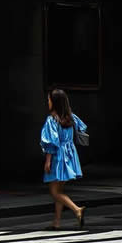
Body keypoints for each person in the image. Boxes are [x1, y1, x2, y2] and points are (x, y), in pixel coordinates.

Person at [39, 89, 88, 230]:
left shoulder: (51, 120)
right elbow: (82, 128)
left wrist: (48, 161)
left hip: (58, 157)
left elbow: (51, 142)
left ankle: (77, 209)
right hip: (70, 156)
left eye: (49, 100)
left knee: (55, 192)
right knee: (59, 190)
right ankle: (57, 222)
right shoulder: (71, 117)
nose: (47, 102)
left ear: (54, 103)